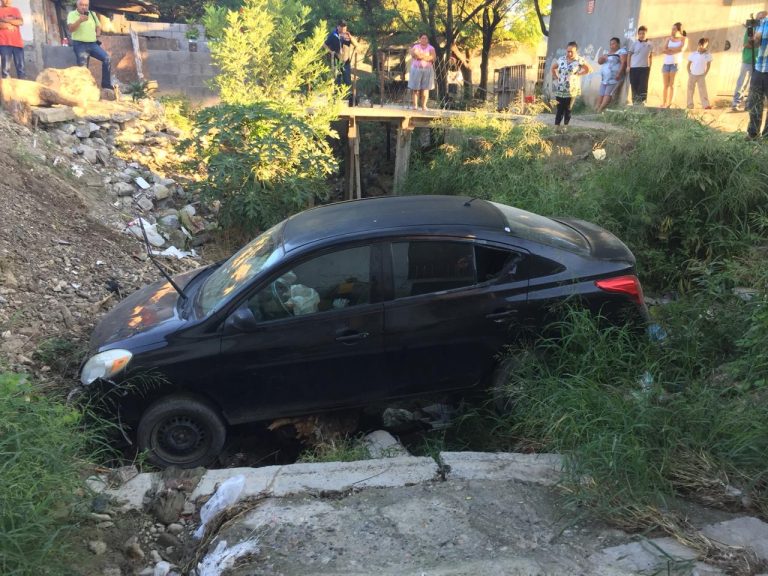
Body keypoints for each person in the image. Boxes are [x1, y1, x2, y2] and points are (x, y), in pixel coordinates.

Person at [67, 0, 113, 89]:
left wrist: (98, 33)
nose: (84, 7)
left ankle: (106, 85)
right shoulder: (72, 14)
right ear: (77, 5)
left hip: (92, 44)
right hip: (79, 45)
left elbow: (98, 25)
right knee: (83, 69)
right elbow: (71, 29)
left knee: (107, 58)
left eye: (86, 5)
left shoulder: (92, 14)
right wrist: (79, 20)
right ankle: (83, 89)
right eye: (81, 5)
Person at [550, 41, 592, 131]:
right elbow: (553, 67)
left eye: (571, 51)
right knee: (559, 108)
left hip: (571, 89)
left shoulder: (579, 60)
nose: (569, 53)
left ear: (576, 51)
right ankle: (556, 126)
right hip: (560, 88)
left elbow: (589, 69)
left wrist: (579, 74)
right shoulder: (561, 59)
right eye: (568, 51)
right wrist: (555, 76)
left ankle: (565, 126)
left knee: (568, 109)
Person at [733, 11, 768, 111]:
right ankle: (736, 103)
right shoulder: (751, 29)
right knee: (742, 83)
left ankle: (749, 105)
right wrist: (754, 42)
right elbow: (746, 45)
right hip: (748, 60)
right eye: (760, 18)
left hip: (760, 63)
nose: (761, 20)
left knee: (754, 85)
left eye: (764, 18)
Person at [747, 12, 768, 140]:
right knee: (754, 102)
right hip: (760, 68)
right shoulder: (765, 22)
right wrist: (753, 39)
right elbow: (756, 42)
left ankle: (766, 138)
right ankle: (753, 134)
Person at [596, 37, 627, 113]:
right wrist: (602, 58)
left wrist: (619, 73)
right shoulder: (608, 53)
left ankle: (600, 110)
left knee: (607, 94)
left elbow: (623, 63)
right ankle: (596, 108)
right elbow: (599, 62)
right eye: (610, 44)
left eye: (613, 43)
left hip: (613, 78)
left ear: (618, 44)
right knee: (601, 94)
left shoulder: (621, 51)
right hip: (604, 79)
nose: (611, 45)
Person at [661, 22, 687, 108]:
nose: (672, 30)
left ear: (679, 30)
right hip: (666, 63)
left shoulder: (683, 39)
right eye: (672, 29)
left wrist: (670, 49)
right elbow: (663, 50)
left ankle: (670, 103)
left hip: (675, 64)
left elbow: (681, 49)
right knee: (665, 85)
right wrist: (673, 50)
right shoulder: (668, 39)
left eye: (674, 29)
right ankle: (664, 102)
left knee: (672, 84)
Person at [324, 19, 356, 89]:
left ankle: (350, 98)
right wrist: (330, 51)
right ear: (338, 26)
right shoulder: (333, 35)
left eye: (345, 26)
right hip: (336, 61)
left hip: (346, 62)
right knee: (336, 81)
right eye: (341, 26)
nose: (343, 28)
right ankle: (336, 98)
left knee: (347, 81)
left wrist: (350, 37)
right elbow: (324, 44)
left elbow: (356, 45)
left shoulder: (347, 35)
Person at [408, 33, 436, 110]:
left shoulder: (431, 48)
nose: (424, 40)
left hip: (427, 70)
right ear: (420, 39)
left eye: (425, 38)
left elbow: (433, 58)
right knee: (415, 89)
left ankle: (424, 106)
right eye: (422, 38)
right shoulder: (415, 47)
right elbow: (414, 55)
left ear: (428, 40)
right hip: (416, 69)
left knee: (425, 89)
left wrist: (421, 56)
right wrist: (426, 57)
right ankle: (415, 105)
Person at [626, 25, 652, 105]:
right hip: (634, 68)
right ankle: (635, 102)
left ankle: (642, 102)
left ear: (646, 34)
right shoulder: (634, 44)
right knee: (634, 84)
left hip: (644, 68)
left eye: (643, 33)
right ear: (638, 34)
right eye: (640, 33)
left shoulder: (650, 44)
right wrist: (628, 66)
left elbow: (651, 56)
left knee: (643, 85)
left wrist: (650, 66)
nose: (642, 35)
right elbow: (629, 55)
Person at [0, 0, 24, 79]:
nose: (7, 1)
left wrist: (6, 20)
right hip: (4, 43)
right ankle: (6, 90)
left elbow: (20, 22)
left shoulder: (15, 10)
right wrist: (6, 25)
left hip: (17, 42)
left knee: (21, 68)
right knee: (5, 70)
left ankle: (22, 87)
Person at [686, 38, 713, 110]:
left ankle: (706, 105)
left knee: (703, 90)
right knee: (690, 90)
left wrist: (705, 73)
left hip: (701, 75)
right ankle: (690, 105)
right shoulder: (693, 54)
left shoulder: (708, 55)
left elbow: (709, 64)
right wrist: (689, 73)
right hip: (693, 74)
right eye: (701, 44)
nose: (703, 47)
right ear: (699, 44)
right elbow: (688, 64)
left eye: (705, 45)